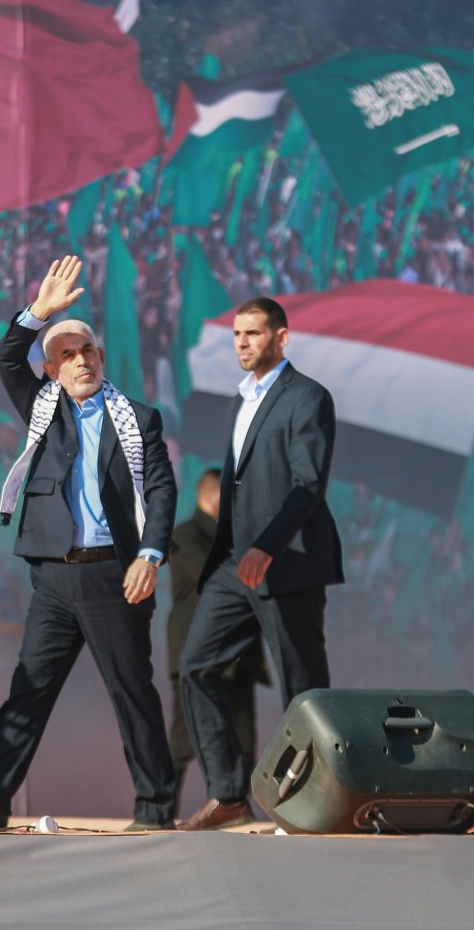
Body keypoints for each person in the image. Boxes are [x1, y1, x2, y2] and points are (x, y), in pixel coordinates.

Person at [0, 255, 178, 832]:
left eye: (86, 352)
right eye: (66, 355)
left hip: (112, 573)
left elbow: (162, 490)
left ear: (101, 357)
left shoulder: (137, 417)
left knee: (131, 693)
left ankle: (154, 809)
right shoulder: (42, 408)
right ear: (50, 368)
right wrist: (38, 312)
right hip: (53, 575)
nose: (79, 362)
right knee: (29, 687)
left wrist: (149, 554)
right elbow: (4, 356)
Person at [178, 296, 342, 831]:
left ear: (282, 338)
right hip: (235, 563)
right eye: (237, 335)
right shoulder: (239, 399)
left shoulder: (307, 397)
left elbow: (307, 484)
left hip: (285, 560)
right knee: (196, 665)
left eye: (253, 333)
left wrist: (267, 544)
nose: (243, 343)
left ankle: (318, 802)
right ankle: (227, 793)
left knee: (304, 692)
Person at [165, 468, 266, 799]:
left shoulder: (241, 539)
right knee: (184, 739)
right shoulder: (185, 536)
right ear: (208, 497)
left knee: (242, 740)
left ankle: (232, 806)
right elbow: (215, 576)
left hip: (237, 657)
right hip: (198, 656)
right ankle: (159, 809)